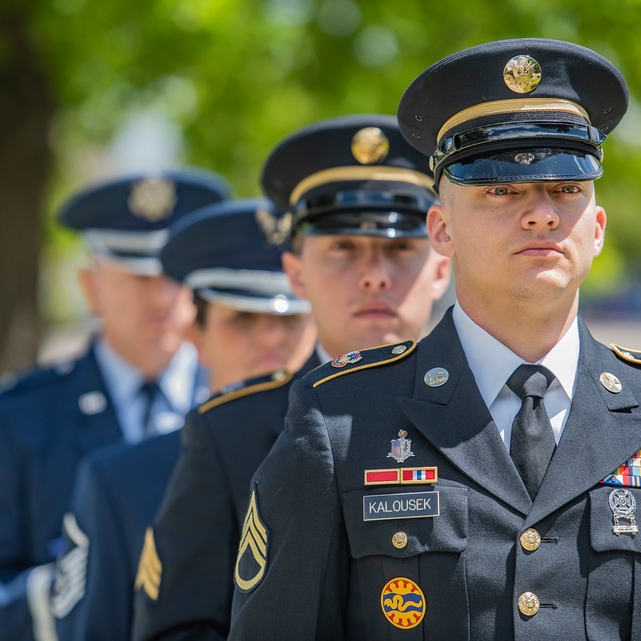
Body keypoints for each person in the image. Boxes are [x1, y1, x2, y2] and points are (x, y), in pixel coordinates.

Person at [227, 39, 641, 639]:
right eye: (501, 190)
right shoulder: (340, 418)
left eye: (566, 190)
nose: (542, 213)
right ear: (440, 229)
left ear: (596, 230)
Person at [131, 115, 453, 640]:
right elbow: (179, 628)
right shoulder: (228, 433)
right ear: (297, 273)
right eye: (342, 249)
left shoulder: (492, 411)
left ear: (441, 267)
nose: (374, 273)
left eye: (399, 249)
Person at [0, 169, 229, 641]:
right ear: (91, 286)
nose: (160, 296)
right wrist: (87, 582)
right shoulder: (21, 417)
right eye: (137, 275)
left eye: (175, 274)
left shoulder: (238, 406)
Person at [51, 198, 316, 641]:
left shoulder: (356, 453)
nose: (271, 339)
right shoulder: (120, 480)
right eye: (243, 319)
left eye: (289, 320)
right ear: (195, 334)